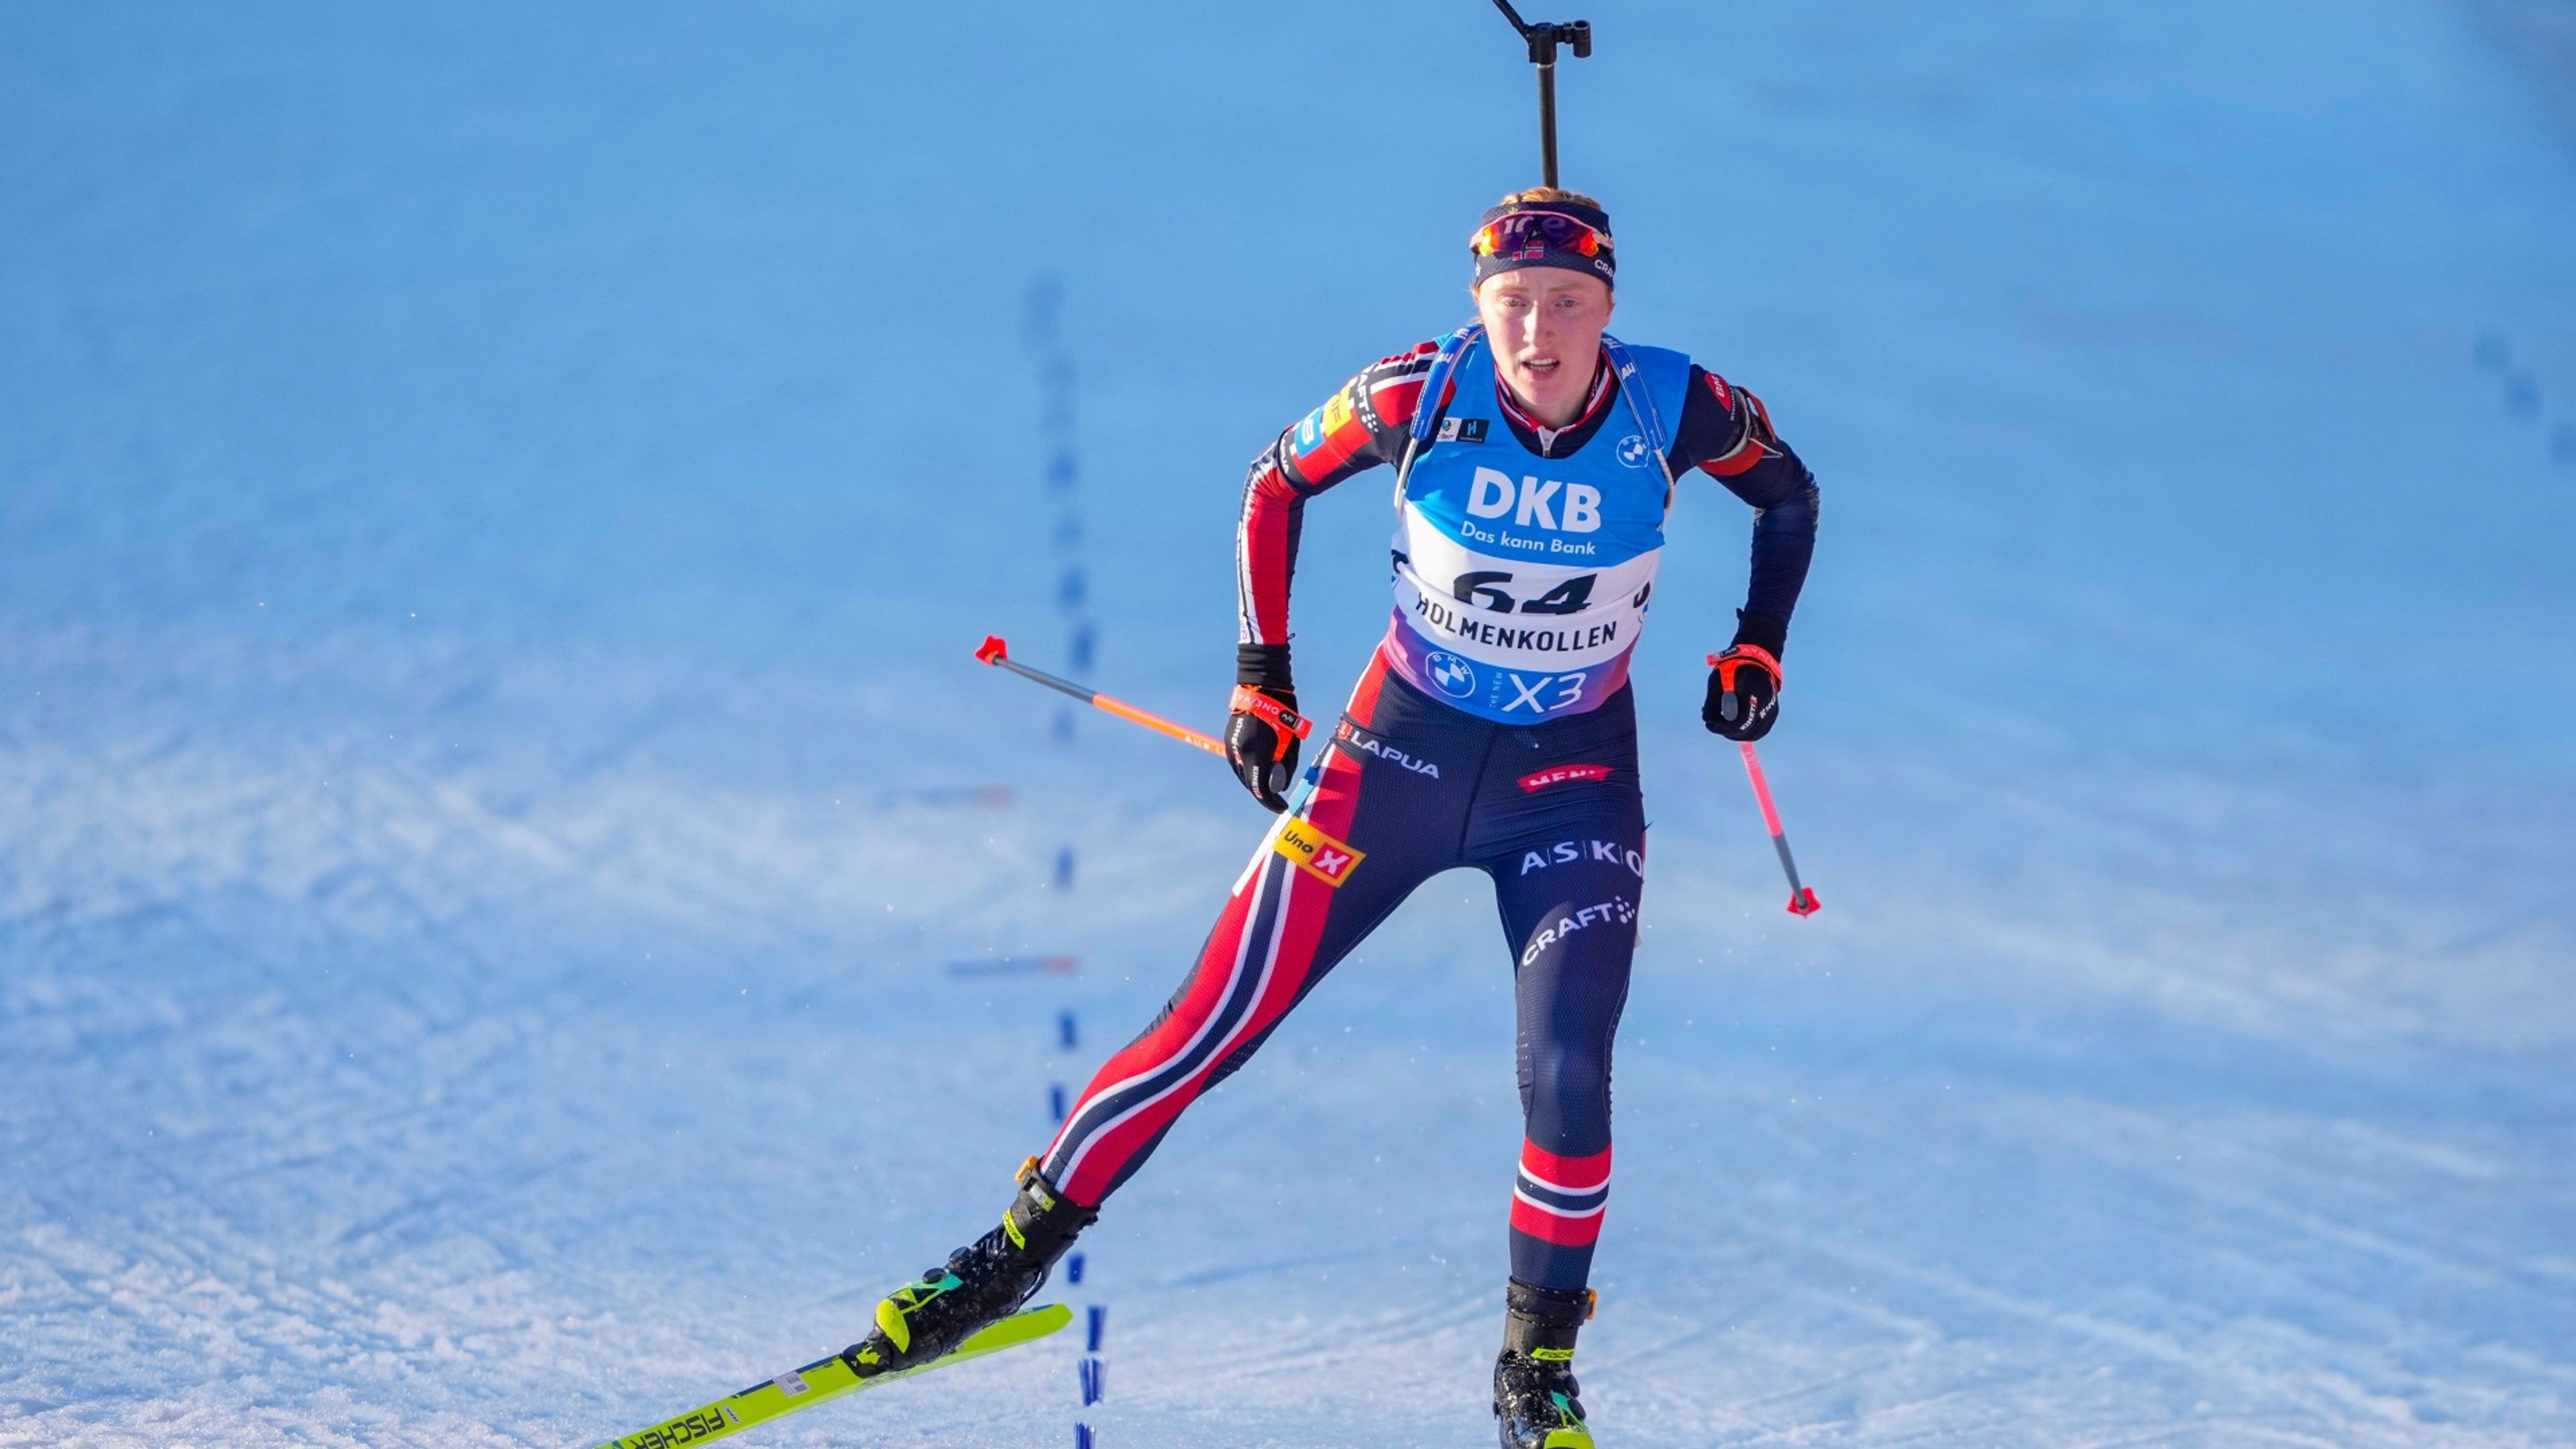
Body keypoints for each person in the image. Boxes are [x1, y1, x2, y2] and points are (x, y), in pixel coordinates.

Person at [843, 187, 1821, 1449]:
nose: (1540, 330)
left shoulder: (1673, 404)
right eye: (1515, 302)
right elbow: (1274, 483)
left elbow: (1787, 496)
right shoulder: (1417, 392)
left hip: (1570, 784)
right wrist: (1263, 680)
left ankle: (1536, 1372)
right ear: (1479, 306)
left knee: (1571, 1076)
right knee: (1212, 1022)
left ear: (1609, 308)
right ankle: (1006, 1258)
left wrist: (1759, 646)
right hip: (1393, 763)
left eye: (1569, 303)